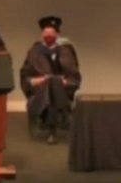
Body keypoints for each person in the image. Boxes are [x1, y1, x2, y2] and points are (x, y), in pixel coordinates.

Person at [20, 16, 81, 144]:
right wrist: (34, 81)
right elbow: (25, 75)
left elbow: (74, 75)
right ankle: (53, 127)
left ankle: (49, 125)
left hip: (62, 90)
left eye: (52, 33)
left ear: (57, 34)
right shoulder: (34, 52)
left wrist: (66, 82)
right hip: (39, 90)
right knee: (50, 84)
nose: (49, 35)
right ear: (42, 34)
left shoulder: (65, 51)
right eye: (46, 33)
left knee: (54, 83)